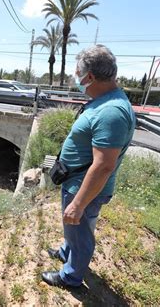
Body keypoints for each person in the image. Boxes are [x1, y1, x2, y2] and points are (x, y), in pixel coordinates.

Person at [41, 45, 136, 288]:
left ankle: (70, 276)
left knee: (80, 232)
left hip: (84, 187)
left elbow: (104, 166)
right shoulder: (103, 100)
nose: (76, 78)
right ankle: (66, 252)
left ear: (90, 76)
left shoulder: (111, 112)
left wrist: (78, 203)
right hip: (76, 181)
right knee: (73, 229)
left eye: (77, 73)